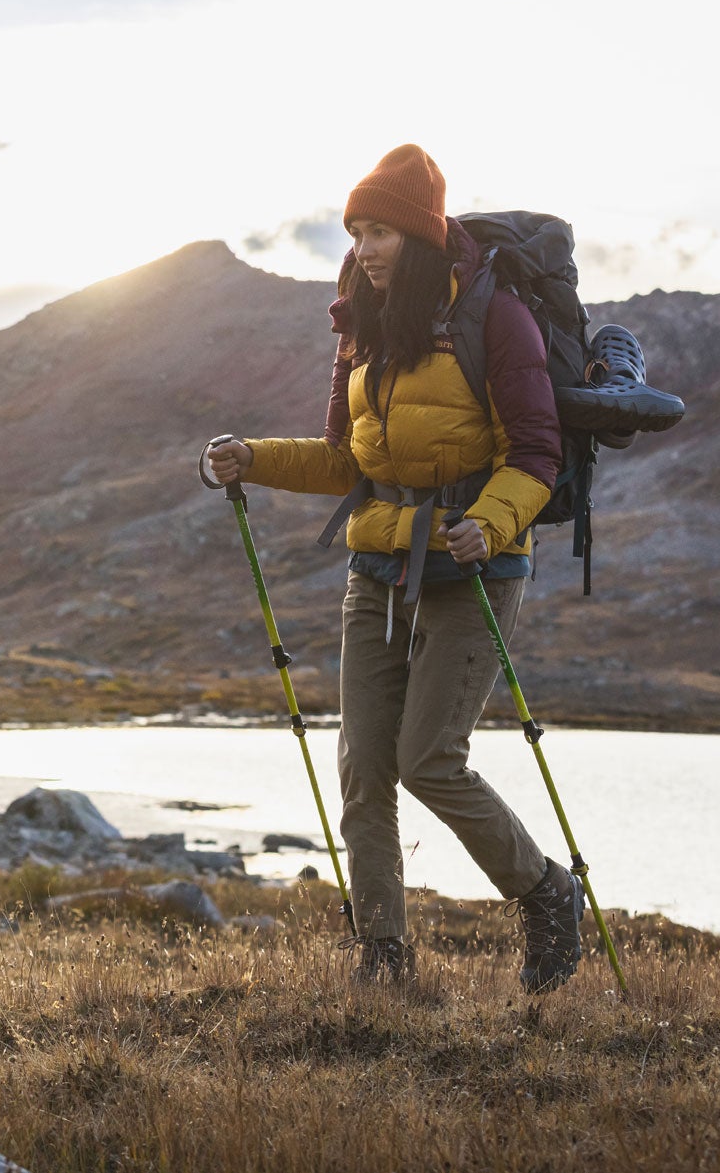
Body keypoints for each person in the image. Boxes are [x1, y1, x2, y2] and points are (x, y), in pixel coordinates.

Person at [206, 144, 583, 993]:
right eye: (357, 231)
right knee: (363, 772)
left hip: (475, 573)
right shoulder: (362, 327)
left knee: (429, 760)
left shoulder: (496, 319)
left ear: (418, 235)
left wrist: (489, 526)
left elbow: (536, 451)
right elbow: (348, 461)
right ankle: (383, 958)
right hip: (374, 572)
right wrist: (251, 457)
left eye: (380, 232)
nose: (365, 248)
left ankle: (548, 893)